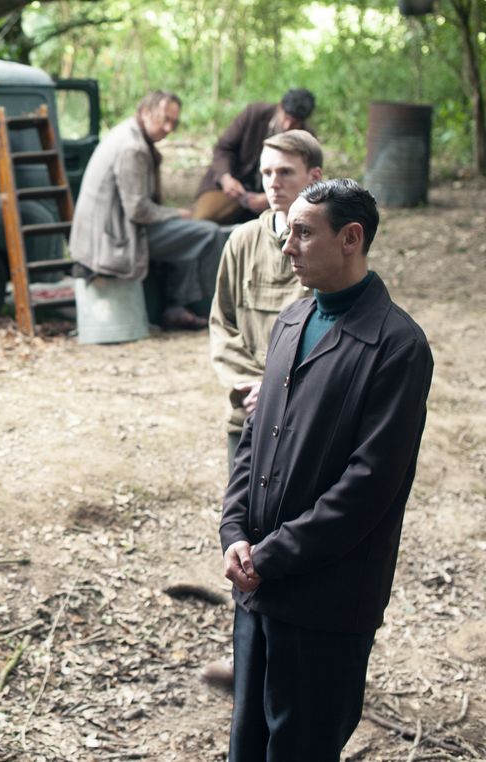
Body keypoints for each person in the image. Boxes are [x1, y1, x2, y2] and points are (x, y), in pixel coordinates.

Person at [219, 179, 433, 761]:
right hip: (257, 585)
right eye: (288, 232)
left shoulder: (398, 346)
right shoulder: (290, 321)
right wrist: (235, 532)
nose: (287, 245)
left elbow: (369, 486)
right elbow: (253, 445)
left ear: (351, 238)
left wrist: (274, 553)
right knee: (248, 743)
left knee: (303, 746)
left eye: (303, 233)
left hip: (326, 600)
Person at [201, 130, 323, 690]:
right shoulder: (241, 243)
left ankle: (296, 661)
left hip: (303, 426)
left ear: (313, 179)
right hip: (244, 418)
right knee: (242, 536)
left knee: (295, 538)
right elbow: (221, 326)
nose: (273, 183)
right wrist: (248, 386)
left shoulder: (325, 249)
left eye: (286, 174)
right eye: (268, 173)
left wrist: (278, 390)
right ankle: (246, 659)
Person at [69, 90, 227, 330]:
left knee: (189, 232)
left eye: (173, 122)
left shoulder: (128, 133)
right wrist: (177, 213)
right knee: (208, 234)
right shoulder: (133, 148)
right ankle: (216, 310)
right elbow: (137, 210)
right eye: (164, 119)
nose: (168, 128)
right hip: (113, 241)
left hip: (108, 232)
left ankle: (176, 305)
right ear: (145, 112)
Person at [194, 88, 316, 225]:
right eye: (286, 117)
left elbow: (305, 179)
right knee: (202, 220)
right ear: (280, 107)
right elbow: (223, 148)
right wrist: (226, 178)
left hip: (273, 198)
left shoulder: (305, 139)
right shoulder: (254, 114)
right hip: (231, 186)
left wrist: (270, 198)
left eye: (295, 122)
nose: (287, 125)